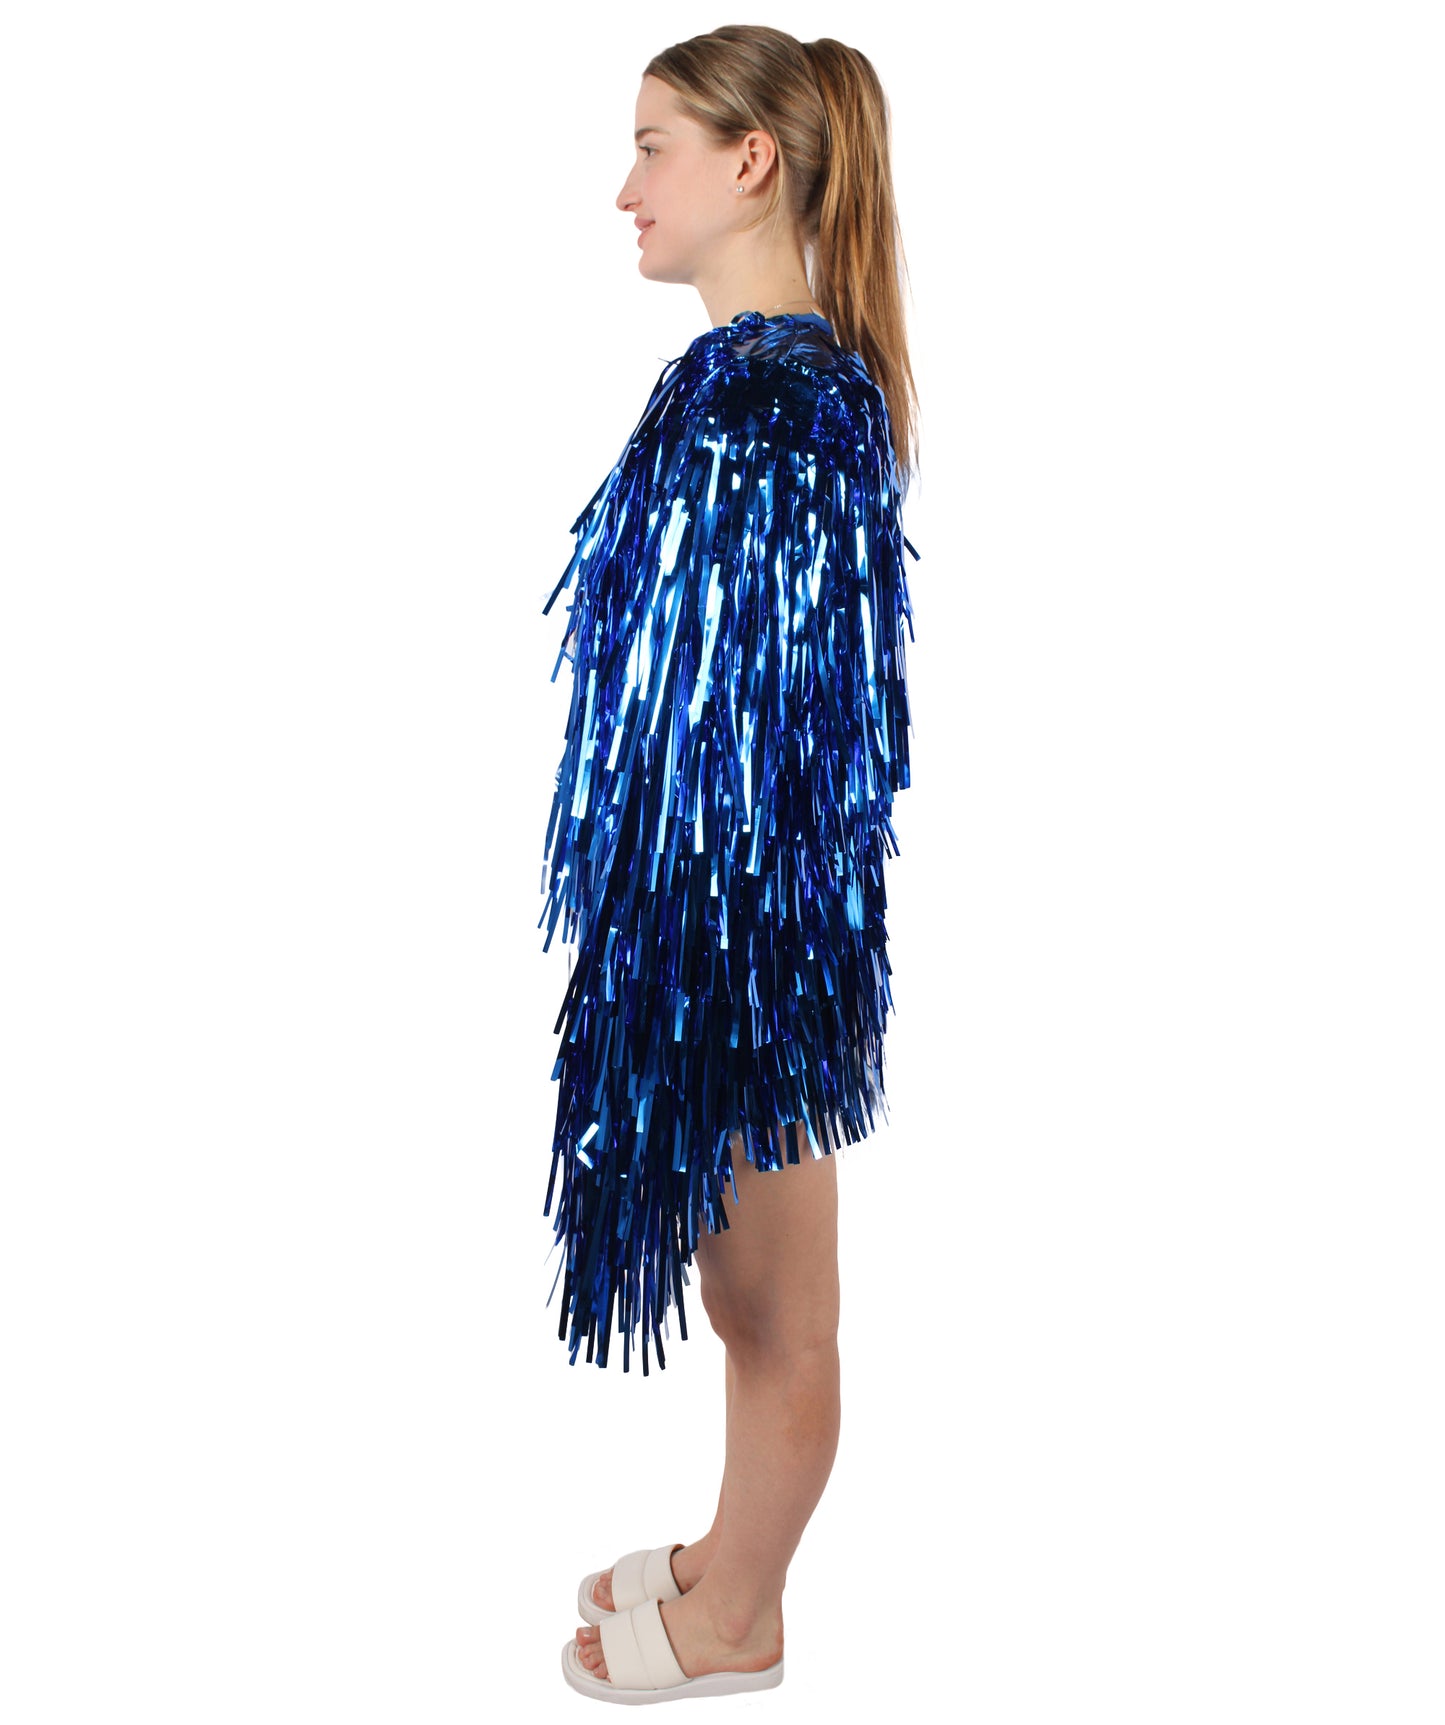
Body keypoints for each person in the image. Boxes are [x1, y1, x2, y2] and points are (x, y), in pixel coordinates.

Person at [542, 25, 919, 1704]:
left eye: (653, 146)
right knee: (736, 1286)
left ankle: (741, 1614)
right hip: (718, 917)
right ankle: (724, 1547)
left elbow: (768, 724)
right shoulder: (759, 378)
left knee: (773, 1309)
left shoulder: (775, 395)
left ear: (748, 160)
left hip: (744, 932)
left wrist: (701, 951)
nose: (626, 189)